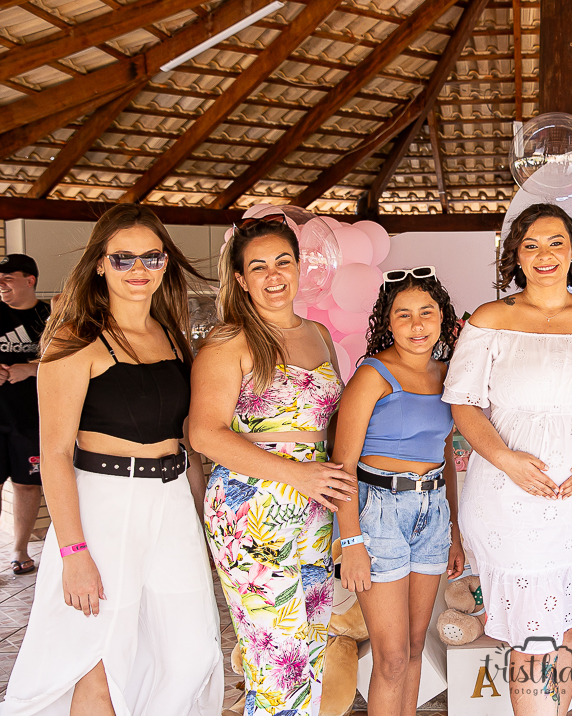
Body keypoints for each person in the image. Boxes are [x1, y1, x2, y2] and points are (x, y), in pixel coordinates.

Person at [3, 204, 222, 716]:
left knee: (191, 653)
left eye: (151, 257)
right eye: (123, 258)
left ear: (165, 262)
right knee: (95, 659)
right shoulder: (76, 338)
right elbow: (55, 453)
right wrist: (73, 552)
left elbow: (186, 443)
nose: (138, 268)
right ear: (100, 264)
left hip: (171, 502)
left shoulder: (172, 335)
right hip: (104, 507)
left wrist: (201, 519)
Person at [443, 202, 572, 715]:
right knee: (531, 635)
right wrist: (505, 459)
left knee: (571, 623)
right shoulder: (490, 319)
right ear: (516, 256)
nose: (544, 254)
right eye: (530, 245)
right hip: (509, 495)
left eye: (555, 243)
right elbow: (463, 404)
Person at [192, 213, 354, 716]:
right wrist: (296, 475)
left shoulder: (319, 334)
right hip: (253, 510)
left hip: (316, 507)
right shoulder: (230, 340)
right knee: (275, 661)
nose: (273, 274)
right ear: (241, 279)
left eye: (283, 261)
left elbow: (336, 425)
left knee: (310, 648)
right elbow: (203, 433)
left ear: (300, 267)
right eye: (258, 266)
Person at [333, 267, 466, 716]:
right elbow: (342, 465)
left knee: (413, 648)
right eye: (403, 314)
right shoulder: (373, 375)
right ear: (387, 323)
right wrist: (351, 542)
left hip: (433, 513)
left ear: (442, 317)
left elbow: (445, 454)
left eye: (426, 312)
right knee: (390, 658)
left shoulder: (447, 375)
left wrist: (454, 531)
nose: (416, 325)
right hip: (379, 514)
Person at [0, 254, 51, 575]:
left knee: (27, 485)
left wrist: (30, 369)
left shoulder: (49, 317)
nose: (1, 284)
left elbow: (70, 361)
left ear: (30, 280)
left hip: (33, 419)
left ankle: (20, 549)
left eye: (8, 278)